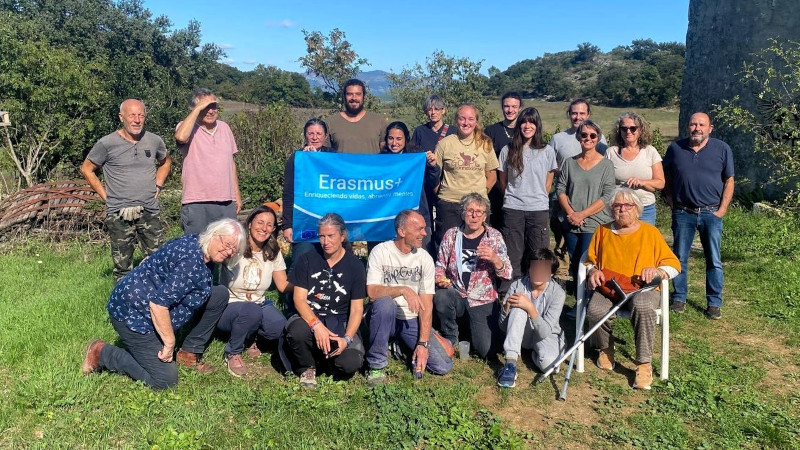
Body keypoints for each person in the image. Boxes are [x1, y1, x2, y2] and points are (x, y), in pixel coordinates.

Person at [81, 218, 246, 389]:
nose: (229, 252)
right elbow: (158, 304)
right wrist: (169, 343)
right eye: (227, 245)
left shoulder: (198, 242)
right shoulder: (191, 265)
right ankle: (101, 353)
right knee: (164, 380)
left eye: (234, 250)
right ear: (214, 235)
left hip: (147, 299)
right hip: (135, 314)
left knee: (219, 294)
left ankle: (189, 351)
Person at [585, 189, 680, 390]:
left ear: (637, 210)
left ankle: (644, 364)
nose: (621, 209)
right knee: (595, 310)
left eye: (627, 206)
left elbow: (673, 265)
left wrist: (657, 270)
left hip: (642, 289)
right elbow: (589, 261)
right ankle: (605, 348)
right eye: (617, 206)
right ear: (611, 210)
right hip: (610, 287)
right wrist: (593, 270)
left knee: (644, 307)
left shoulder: (650, 233)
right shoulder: (602, 231)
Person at [80, 99, 171, 282]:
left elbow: (166, 162)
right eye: (132, 115)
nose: (137, 120)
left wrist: (159, 185)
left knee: (159, 259)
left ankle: (158, 298)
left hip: (149, 209)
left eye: (141, 115)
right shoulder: (107, 143)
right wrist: (106, 196)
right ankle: (123, 303)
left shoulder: (154, 141)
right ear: (122, 117)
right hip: (119, 212)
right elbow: (86, 169)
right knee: (123, 265)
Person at [364, 210, 454, 386]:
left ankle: (399, 347)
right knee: (385, 304)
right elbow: (372, 292)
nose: (424, 233)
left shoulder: (425, 259)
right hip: (383, 317)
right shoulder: (380, 252)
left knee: (443, 366)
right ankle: (376, 365)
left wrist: (423, 343)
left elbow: (426, 304)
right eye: (419, 229)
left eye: (424, 228)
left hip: (410, 319)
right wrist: (403, 290)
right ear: (401, 231)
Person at [663, 112, 734, 320]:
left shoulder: (722, 149)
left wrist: (722, 210)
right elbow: (665, 174)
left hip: (712, 212)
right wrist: (670, 199)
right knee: (679, 257)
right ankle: (679, 297)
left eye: (702, 124)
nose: (697, 128)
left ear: (710, 128)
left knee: (714, 259)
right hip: (683, 212)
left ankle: (714, 302)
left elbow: (729, 180)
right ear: (688, 127)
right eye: (693, 124)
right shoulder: (675, 149)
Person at [283, 213, 365, 388]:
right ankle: (307, 367)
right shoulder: (307, 259)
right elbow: (299, 299)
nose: (326, 242)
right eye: (322, 236)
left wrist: (347, 339)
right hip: (310, 318)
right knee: (297, 331)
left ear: (342, 236)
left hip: (339, 321)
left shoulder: (356, 266)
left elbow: (357, 309)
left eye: (331, 236)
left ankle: (327, 360)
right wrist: (316, 325)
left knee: (351, 363)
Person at [434, 193, 511, 360]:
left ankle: (472, 330)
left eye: (479, 212)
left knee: (485, 351)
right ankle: (451, 336)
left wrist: (495, 259)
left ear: (485, 216)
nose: (474, 215)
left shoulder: (494, 237)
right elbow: (439, 266)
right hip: (457, 293)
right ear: (462, 213)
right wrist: (440, 279)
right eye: (470, 211)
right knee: (442, 296)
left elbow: (508, 273)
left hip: (482, 298)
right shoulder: (452, 235)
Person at [217, 206, 292, 377]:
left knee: (279, 328)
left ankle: (250, 337)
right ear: (250, 224)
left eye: (269, 225)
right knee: (251, 311)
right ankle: (233, 352)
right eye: (260, 222)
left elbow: (282, 286)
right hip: (230, 306)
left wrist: (306, 284)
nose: (264, 228)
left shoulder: (273, 252)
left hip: (259, 304)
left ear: (274, 229)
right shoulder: (235, 246)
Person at [549, 99, 608, 275]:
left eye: (582, 113)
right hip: (564, 201)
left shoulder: (601, 139)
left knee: (586, 254)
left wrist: (582, 214)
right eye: (574, 113)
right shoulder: (558, 139)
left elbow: (602, 170)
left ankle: (581, 285)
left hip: (590, 204)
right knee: (562, 245)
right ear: (569, 114)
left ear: (588, 115)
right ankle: (563, 278)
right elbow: (551, 169)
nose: (578, 117)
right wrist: (569, 211)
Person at [498, 107, 558, 281]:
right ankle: (510, 292)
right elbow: (503, 180)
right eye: (524, 121)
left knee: (538, 253)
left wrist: (538, 197)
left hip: (538, 209)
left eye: (531, 122)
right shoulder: (507, 150)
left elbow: (548, 181)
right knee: (512, 254)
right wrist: (512, 196)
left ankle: (537, 289)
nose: (527, 125)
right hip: (513, 208)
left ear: (537, 125)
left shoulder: (547, 151)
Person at [174, 88, 242, 234]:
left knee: (227, 247)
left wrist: (236, 194)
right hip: (197, 201)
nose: (210, 111)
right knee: (197, 248)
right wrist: (198, 107)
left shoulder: (225, 128)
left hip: (226, 201)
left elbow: (230, 163)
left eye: (213, 106)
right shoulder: (186, 127)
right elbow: (180, 137)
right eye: (205, 107)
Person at [555, 120, 616, 282]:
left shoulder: (606, 165)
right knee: (575, 263)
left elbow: (607, 195)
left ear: (598, 138)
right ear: (578, 137)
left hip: (594, 223)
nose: (588, 138)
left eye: (592, 135)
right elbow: (560, 189)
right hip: (570, 222)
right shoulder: (569, 163)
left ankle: (590, 301)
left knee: (589, 264)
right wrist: (571, 214)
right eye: (584, 134)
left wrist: (582, 214)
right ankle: (578, 300)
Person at [497, 248, 565, 388]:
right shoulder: (517, 286)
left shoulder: (558, 293)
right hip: (523, 332)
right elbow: (503, 327)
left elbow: (545, 332)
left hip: (546, 335)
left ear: (551, 274)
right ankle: (510, 363)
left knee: (550, 366)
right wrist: (506, 308)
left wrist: (531, 309)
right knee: (518, 307)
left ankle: (535, 352)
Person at [433, 104, 499, 246]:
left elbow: (492, 176)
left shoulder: (485, 143)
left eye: (470, 119)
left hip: (477, 206)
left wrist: (479, 196)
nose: (466, 123)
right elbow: (435, 176)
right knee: (446, 246)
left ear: (476, 121)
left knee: (477, 247)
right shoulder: (445, 144)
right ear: (456, 120)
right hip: (449, 204)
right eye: (462, 119)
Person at [282, 118, 336, 267]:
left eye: (319, 133)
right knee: (303, 262)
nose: (315, 137)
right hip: (304, 220)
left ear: (325, 136)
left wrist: (316, 159)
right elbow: (288, 193)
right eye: (310, 133)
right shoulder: (297, 158)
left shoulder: (333, 156)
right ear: (305, 135)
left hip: (329, 219)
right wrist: (287, 225)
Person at [380, 121, 440, 255]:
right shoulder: (380, 161)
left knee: (420, 257)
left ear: (406, 139)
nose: (394, 143)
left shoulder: (417, 158)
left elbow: (433, 182)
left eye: (399, 139)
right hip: (388, 217)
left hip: (418, 213)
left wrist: (433, 166)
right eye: (391, 138)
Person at [606, 112, 664, 225]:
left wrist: (642, 182)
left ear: (640, 130)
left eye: (633, 128)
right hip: (619, 209)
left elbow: (660, 183)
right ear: (619, 131)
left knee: (644, 241)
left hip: (645, 208)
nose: (628, 132)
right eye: (624, 128)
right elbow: (604, 183)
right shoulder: (611, 152)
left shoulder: (650, 151)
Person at [411, 95, 456, 231]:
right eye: (430, 109)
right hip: (425, 183)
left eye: (437, 109)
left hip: (445, 182)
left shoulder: (453, 131)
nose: (433, 112)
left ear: (443, 110)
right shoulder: (420, 131)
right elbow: (412, 154)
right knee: (425, 221)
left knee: (444, 220)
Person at [485, 92, 523, 230]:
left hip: (519, 189)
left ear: (519, 108)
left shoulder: (525, 129)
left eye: (514, 106)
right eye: (507, 106)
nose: (510, 110)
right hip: (496, 190)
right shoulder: (491, 131)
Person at [325, 78, 387, 154]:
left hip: (370, 166)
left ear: (364, 96)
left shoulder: (379, 122)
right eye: (349, 94)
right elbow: (322, 154)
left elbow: (388, 154)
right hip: (341, 166)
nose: (354, 98)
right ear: (344, 97)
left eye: (358, 94)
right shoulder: (330, 123)